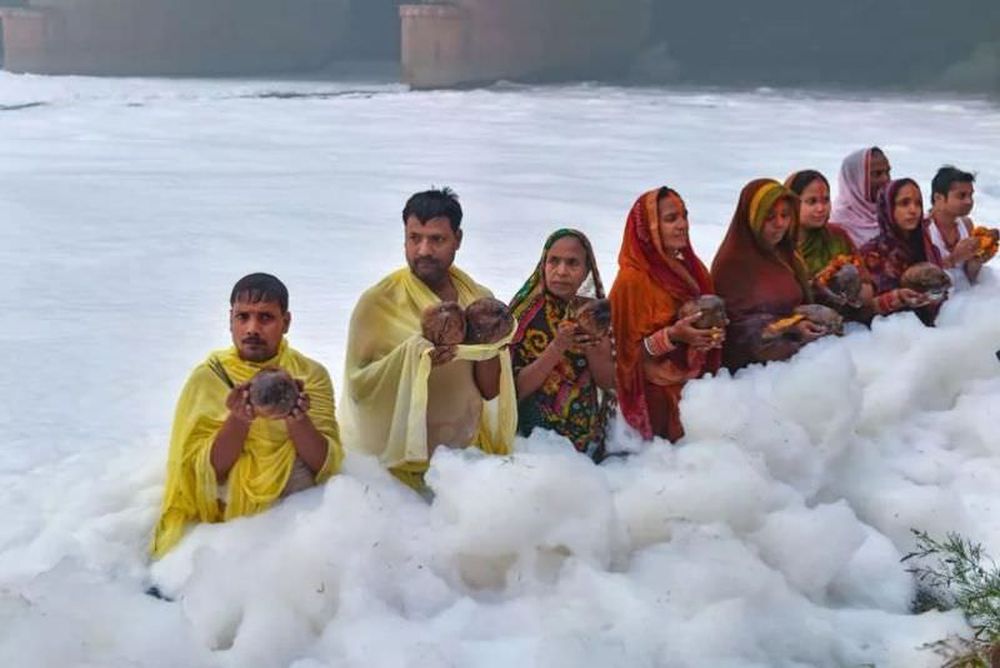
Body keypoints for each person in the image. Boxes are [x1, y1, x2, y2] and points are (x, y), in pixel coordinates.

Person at [151, 273, 343, 558]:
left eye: (265, 318)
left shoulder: (311, 375)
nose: (252, 328)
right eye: (243, 317)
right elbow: (203, 473)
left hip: (292, 505)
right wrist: (239, 419)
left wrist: (297, 418)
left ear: (286, 322)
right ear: (231, 320)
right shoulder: (209, 377)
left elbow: (324, 465)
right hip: (225, 508)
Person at [342, 188, 515, 489]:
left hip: (462, 461)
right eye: (414, 238)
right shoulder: (378, 302)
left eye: (436, 239)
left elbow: (489, 391)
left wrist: (481, 345)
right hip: (395, 467)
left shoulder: (478, 300)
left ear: (457, 239)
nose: (423, 250)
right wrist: (414, 354)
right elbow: (359, 387)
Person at [608, 187, 722, 443]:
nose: (682, 225)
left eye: (684, 216)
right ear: (648, 228)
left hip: (696, 395)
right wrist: (672, 335)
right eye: (671, 219)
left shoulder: (693, 269)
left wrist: (708, 337)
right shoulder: (632, 281)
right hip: (654, 400)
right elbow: (623, 357)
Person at [508, 229, 615, 457]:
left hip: (584, 438)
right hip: (530, 438)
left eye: (572, 263)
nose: (561, 271)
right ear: (543, 264)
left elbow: (608, 384)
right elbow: (513, 390)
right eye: (553, 262)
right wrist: (557, 347)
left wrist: (595, 345)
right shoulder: (522, 316)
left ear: (587, 270)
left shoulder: (594, 315)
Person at [712, 179, 829, 372]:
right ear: (753, 218)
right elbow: (735, 329)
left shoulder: (787, 255)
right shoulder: (732, 264)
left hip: (799, 359)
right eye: (770, 217)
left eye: (785, 215)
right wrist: (791, 327)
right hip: (755, 373)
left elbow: (803, 296)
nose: (780, 224)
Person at [786, 169, 875, 321]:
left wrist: (850, 288)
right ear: (792, 204)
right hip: (800, 324)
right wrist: (814, 289)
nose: (821, 208)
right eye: (811, 201)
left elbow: (868, 291)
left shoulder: (837, 236)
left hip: (844, 324)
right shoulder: (780, 243)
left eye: (826, 200)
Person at [860, 178, 944, 325]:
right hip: (889, 334)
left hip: (934, 330)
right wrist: (895, 298)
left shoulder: (929, 249)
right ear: (888, 208)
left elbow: (943, 292)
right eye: (904, 203)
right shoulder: (872, 254)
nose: (913, 210)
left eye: (918, 204)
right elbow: (861, 311)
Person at [926, 166, 987, 288]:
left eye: (970, 195)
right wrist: (954, 258)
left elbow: (968, 276)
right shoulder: (923, 228)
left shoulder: (966, 224)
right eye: (961, 196)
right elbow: (921, 277)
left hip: (963, 296)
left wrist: (977, 260)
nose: (969, 201)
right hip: (937, 297)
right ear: (938, 198)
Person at [830, 146, 892, 247]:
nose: (886, 179)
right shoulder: (836, 222)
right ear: (856, 179)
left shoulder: (894, 215)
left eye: (888, 172)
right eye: (877, 174)